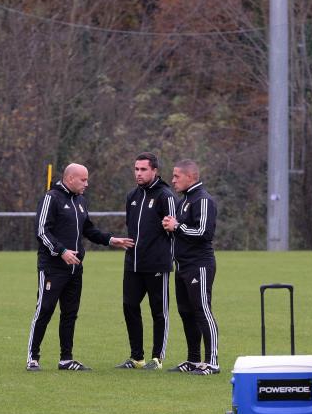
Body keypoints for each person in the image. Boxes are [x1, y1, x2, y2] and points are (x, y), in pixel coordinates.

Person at [25, 163, 134, 372]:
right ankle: (33, 357)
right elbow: (42, 231)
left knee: (70, 313)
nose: (87, 184)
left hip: (75, 269)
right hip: (53, 268)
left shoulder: (81, 201)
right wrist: (61, 251)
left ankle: (66, 359)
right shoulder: (51, 198)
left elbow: (88, 230)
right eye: (83, 180)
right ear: (70, 178)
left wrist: (110, 240)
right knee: (44, 310)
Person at [115, 152, 177, 370]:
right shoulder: (132, 196)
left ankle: (157, 358)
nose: (138, 173)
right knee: (129, 306)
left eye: (143, 169)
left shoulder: (165, 195)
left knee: (159, 311)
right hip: (133, 263)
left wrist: (167, 256)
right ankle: (136, 357)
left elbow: (173, 231)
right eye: (136, 169)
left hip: (157, 265)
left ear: (154, 171)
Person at [162, 159, 220, 375]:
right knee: (186, 312)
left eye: (177, 176)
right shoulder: (183, 200)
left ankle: (212, 362)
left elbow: (204, 233)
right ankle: (193, 360)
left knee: (202, 310)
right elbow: (182, 230)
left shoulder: (203, 200)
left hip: (199, 265)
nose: (173, 180)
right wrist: (171, 226)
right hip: (182, 265)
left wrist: (177, 226)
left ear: (191, 177)